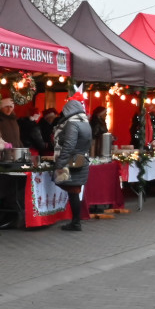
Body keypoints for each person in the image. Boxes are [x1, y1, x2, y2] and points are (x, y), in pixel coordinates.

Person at [52, 95, 92, 231]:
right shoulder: (85, 122)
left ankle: (75, 222)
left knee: (73, 192)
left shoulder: (72, 123)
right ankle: (76, 221)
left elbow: (69, 145)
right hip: (82, 159)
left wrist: (60, 164)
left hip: (72, 160)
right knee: (75, 192)